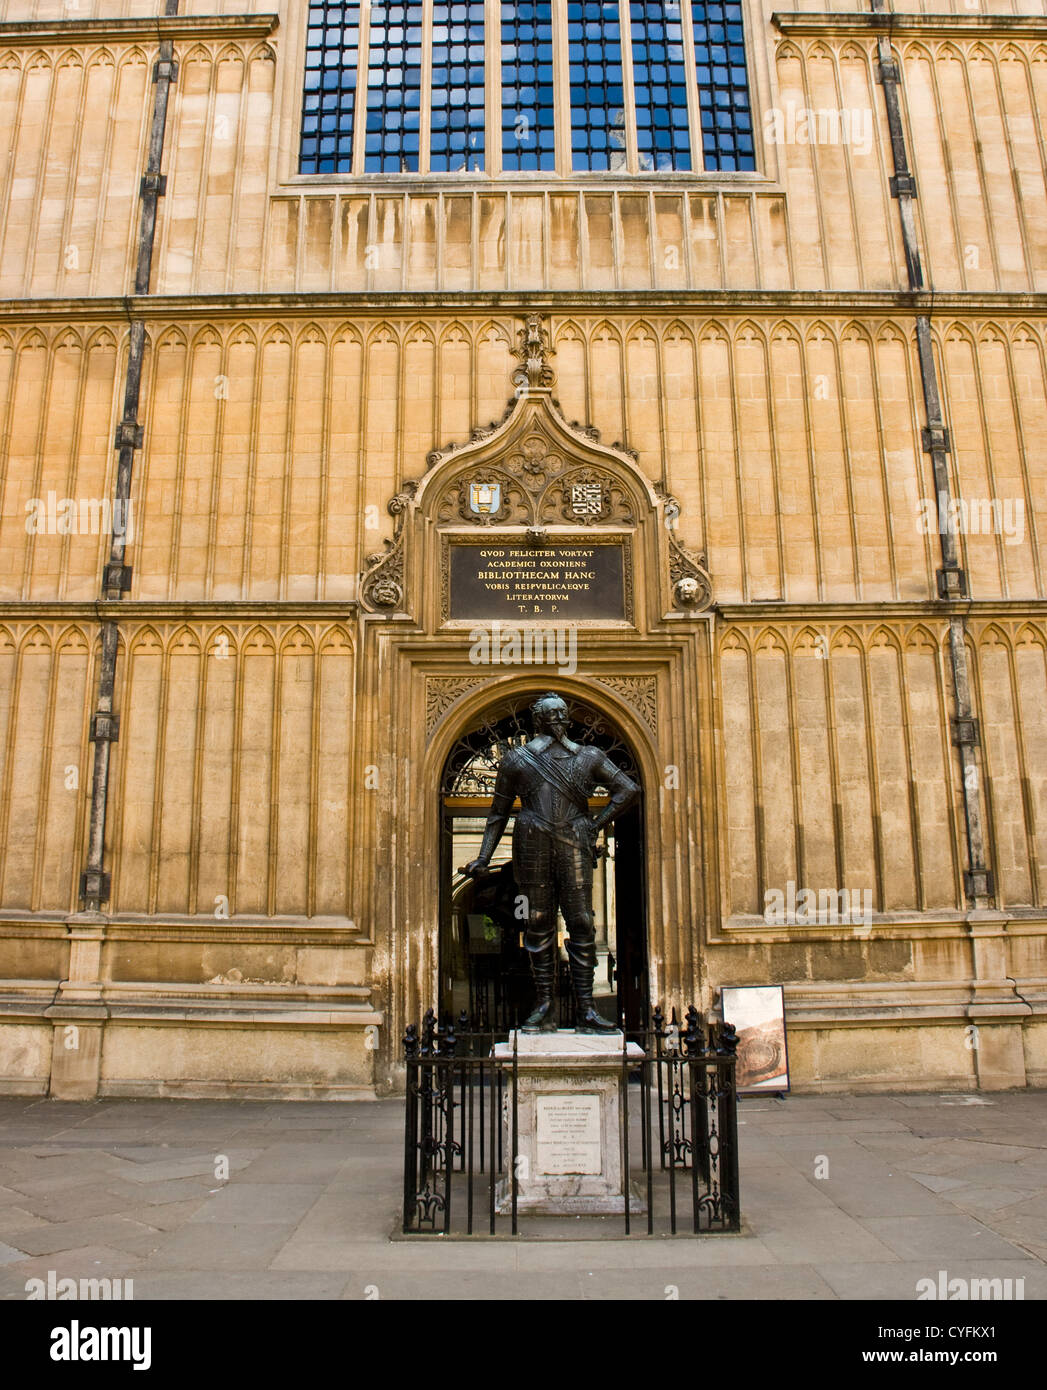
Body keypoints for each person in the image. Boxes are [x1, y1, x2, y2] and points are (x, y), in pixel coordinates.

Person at [463, 693, 639, 1033]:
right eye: (551, 714)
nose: (558, 718)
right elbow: (497, 814)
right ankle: (544, 1005)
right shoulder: (516, 760)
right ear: (538, 720)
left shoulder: (589, 756)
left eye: (562, 713)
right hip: (532, 841)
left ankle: (586, 1008)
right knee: (537, 920)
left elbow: (627, 788)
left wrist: (596, 824)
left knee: (582, 920)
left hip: (574, 839)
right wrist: (484, 857)